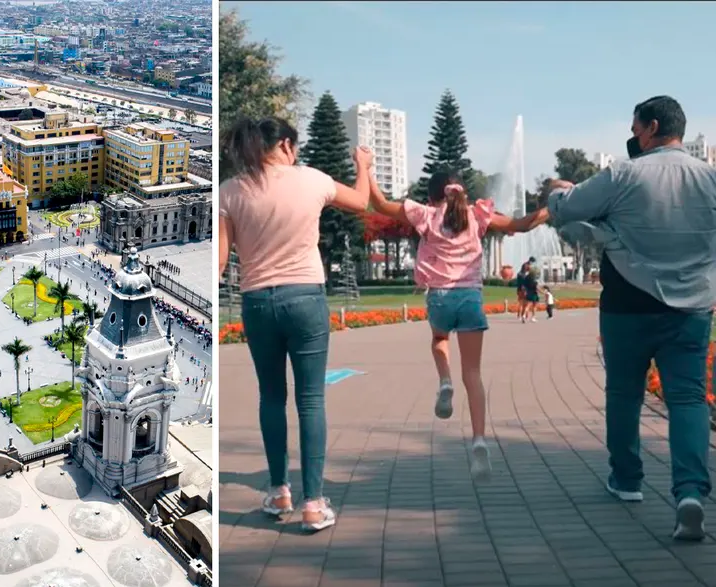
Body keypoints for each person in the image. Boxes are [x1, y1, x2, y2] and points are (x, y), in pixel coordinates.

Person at [547, 95, 716, 541]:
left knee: (624, 393)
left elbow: (566, 209)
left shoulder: (623, 173)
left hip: (627, 303)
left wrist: (557, 190)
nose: (633, 135)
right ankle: (690, 494)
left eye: (636, 128)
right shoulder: (710, 178)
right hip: (692, 307)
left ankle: (626, 479)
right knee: (688, 398)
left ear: (652, 127)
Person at [218, 116, 374, 533]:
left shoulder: (231, 190)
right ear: (286, 145)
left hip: (257, 303)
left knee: (271, 398)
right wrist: (362, 165)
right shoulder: (311, 180)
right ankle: (314, 504)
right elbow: (362, 202)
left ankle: (278, 492)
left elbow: (220, 261)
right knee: (310, 401)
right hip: (305, 298)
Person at [368, 169, 549, 481]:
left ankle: (444, 382)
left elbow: (380, 204)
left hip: (440, 298)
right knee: (474, 374)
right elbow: (522, 224)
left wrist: (366, 167)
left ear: (431, 198)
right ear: (462, 194)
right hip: (470, 299)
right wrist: (555, 206)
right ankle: (479, 440)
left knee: (440, 339)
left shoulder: (426, 215)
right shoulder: (477, 216)